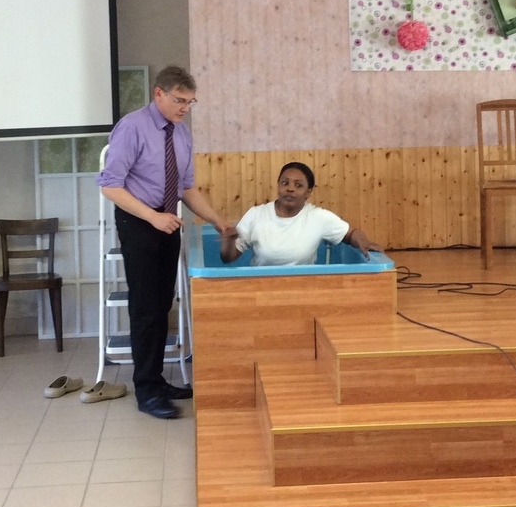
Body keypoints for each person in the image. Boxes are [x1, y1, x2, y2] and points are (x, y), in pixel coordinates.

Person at [98, 65, 236, 419]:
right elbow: (110, 185)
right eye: (179, 100)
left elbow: (186, 187)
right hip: (139, 222)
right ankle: (146, 390)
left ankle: (157, 380)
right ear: (158, 93)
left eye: (190, 102)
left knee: (162, 304)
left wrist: (216, 219)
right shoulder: (132, 127)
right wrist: (152, 217)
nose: (185, 108)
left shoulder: (181, 134)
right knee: (145, 307)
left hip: (168, 221)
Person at [220, 161, 380, 267]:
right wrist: (228, 241)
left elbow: (351, 234)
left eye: (298, 185)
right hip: (260, 290)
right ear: (278, 186)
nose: (290, 188)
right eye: (285, 183)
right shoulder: (256, 215)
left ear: (308, 192)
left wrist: (363, 241)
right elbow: (227, 258)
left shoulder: (318, 217)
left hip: (304, 288)